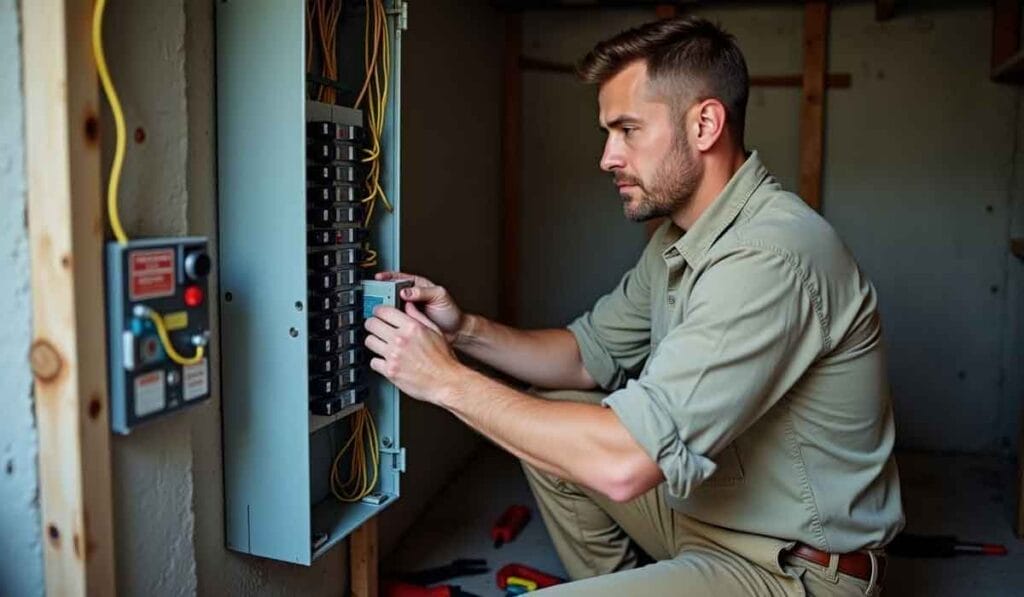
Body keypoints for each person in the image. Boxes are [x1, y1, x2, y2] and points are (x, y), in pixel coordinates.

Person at [363, 16, 903, 597]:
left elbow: (623, 463)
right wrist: (463, 330)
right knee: (559, 410)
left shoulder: (770, 257)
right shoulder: (680, 238)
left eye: (626, 130)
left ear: (704, 124)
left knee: (589, 444)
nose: (607, 157)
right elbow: (582, 357)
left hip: (792, 568)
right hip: (703, 519)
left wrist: (444, 381)